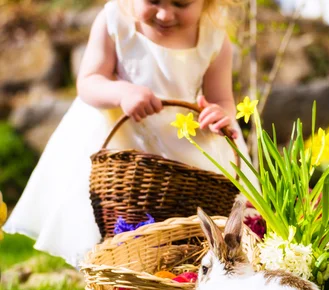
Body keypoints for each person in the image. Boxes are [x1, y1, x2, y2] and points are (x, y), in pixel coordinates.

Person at [3, 0, 255, 267]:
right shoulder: (116, 20)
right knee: (119, 210)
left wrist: (221, 114)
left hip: (185, 141)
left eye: (181, 3)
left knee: (184, 218)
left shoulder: (214, 37)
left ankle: (174, 272)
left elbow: (222, 99)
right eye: (153, 1)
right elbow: (89, 81)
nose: (165, 13)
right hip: (125, 142)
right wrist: (123, 92)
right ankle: (115, 271)